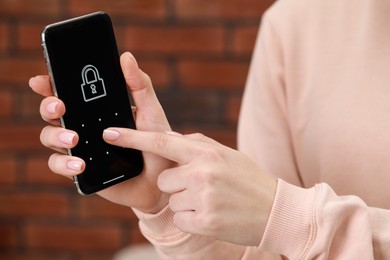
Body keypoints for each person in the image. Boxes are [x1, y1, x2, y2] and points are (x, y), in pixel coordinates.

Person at [29, 0, 390, 258]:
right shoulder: (294, 22)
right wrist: (165, 204)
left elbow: (282, 221)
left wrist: (294, 219)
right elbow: (270, 249)